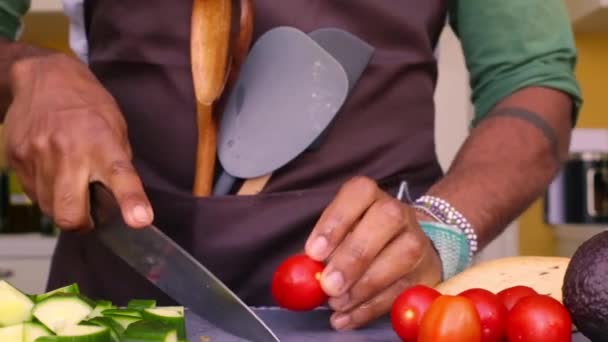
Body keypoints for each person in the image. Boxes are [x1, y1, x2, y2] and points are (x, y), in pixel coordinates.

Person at [0, 0, 582, 331]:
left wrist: (442, 226)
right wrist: (26, 70)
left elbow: (532, 81)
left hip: (372, 306)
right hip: (119, 300)